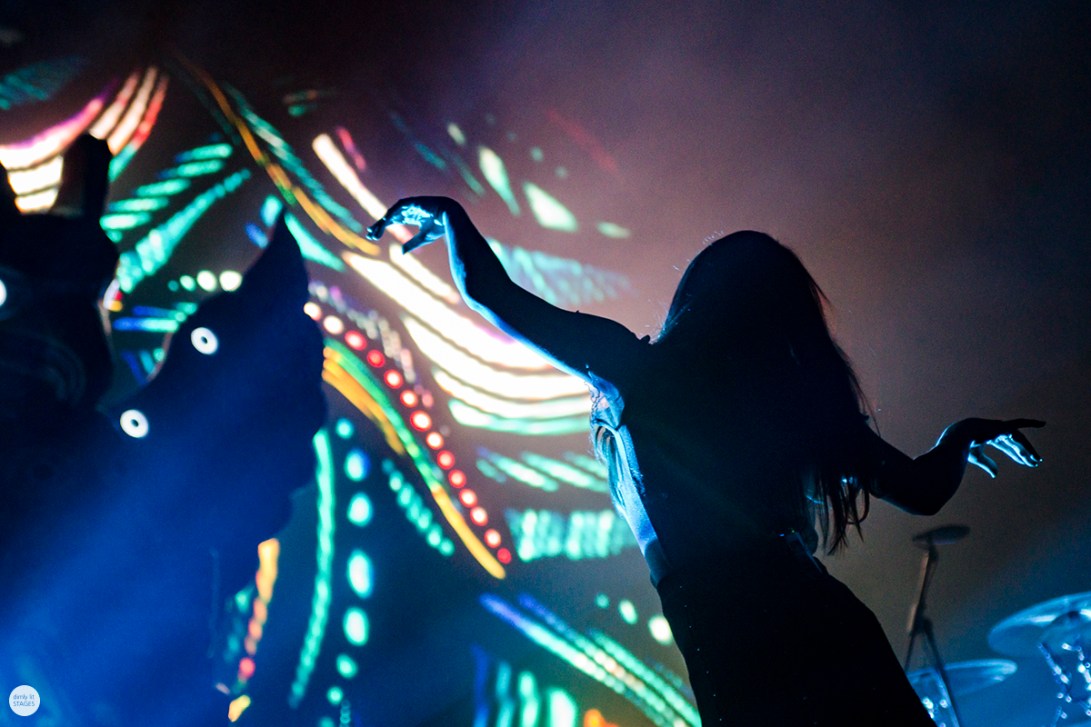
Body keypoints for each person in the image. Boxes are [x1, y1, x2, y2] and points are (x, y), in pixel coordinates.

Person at [367, 197, 1043, 726]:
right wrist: (957, 437)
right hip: (811, 628)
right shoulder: (778, 404)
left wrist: (452, 217)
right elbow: (921, 487)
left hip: (740, 643)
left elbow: (499, 297)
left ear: (696, 296)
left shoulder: (638, 371)